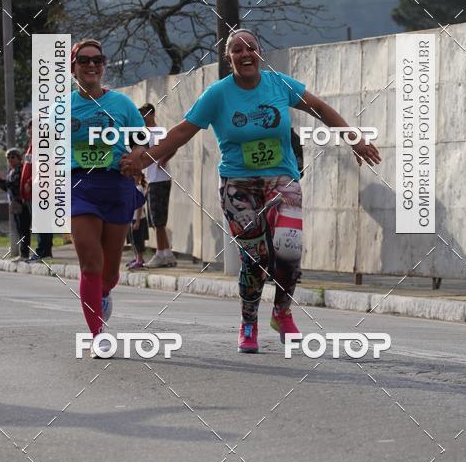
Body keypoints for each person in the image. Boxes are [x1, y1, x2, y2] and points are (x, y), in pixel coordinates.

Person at [121, 29, 381, 354]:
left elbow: (320, 108)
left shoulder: (279, 85)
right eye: (237, 50)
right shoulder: (218, 95)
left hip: (281, 179)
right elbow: (182, 131)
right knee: (255, 259)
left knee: (290, 246)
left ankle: (282, 312)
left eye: (251, 48)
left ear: (259, 53)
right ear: (228, 58)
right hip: (238, 185)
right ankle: (248, 322)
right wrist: (143, 159)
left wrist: (353, 138)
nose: (245, 54)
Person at [70, 38, 146, 354]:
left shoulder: (122, 104)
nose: (91, 65)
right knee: (90, 262)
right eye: (84, 60)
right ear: (73, 67)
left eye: (97, 60)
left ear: (103, 66)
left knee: (110, 272)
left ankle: (103, 293)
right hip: (79, 186)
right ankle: (97, 334)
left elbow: (142, 141)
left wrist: (136, 156)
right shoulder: (61, 108)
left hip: (116, 185)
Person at [138, 103, 177, 268]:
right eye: (141, 114)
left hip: (160, 179)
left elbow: (174, 145)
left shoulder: (160, 132)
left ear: (152, 114)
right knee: (154, 220)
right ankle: (168, 254)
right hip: (150, 180)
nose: (142, 117)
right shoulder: (142, 133)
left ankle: (160, 254)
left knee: (158, 221)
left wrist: (164, 159)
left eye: (145, 114)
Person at [21, 118, 54, 262]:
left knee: (42, 222)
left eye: (32, 127)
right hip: (33, 190)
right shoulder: (32, 145)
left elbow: (44, 165)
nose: (29, 130)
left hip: (40, 188)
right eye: (28, 127)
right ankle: (44, 251)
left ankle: (42, 252)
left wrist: (29, 182)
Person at [0, 148, 30, 260]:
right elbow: (7, 187)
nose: (10, 160)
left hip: (22, 202)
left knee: (24, 229)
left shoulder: (20, 169)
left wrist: (0, 180)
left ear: (18, 158)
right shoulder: (11, 171)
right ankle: (23, 253)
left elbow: (14, 184)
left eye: (12, 157)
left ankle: (25, 254)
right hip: (15, 203)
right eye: (8, 158)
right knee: (19, 229)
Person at [126, 172, 149, 270]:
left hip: (138, 219)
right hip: (132, 218)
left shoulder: (139, 188)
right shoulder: (133, 188)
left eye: (135, 175)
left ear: (139, 177)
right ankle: (137, 258)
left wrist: (138, 221)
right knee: (133, 240)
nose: (132, 177)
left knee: (138, 240)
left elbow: (139, 206)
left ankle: (139, 260)